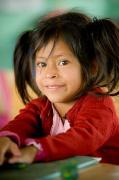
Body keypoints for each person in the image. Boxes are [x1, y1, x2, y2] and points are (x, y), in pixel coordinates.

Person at [0, 10, 119, 166]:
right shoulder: (40, 106)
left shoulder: (99, 105)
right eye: (42, 64)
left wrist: (35, 150)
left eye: (63, 62)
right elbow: (21, 124)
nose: (49, 73)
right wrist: (6, 139)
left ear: (92, 67)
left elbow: (82, 139)